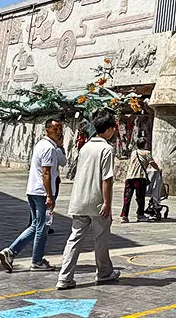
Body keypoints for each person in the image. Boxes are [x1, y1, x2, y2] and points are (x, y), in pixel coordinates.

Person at [56, 111, 120, 290]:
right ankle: (104, 272)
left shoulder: (85, 147)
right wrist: (107, 202)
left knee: (74, 239)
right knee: (101, 239)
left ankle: (64, 278)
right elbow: (106, 178)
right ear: (108, 129)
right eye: (113, 128)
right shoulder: (106, 149)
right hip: (96, 200)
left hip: (79, 199)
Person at [0, 118, 64, 273]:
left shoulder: (43, 145)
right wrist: (49, 195)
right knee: (43, 226)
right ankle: (37, 260)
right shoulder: (48, 148)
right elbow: (46, 173)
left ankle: (11, 252)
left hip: (33, 191)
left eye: (60, 128)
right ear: (47, 130)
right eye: (55, 129)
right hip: (42, 192)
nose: (59, 132)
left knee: (35, 225)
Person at [120, 137, 153, 223]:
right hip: (140, 177)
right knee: (140, 197)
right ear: (145, 144)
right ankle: (140, 215)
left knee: (127, 197)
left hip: (130, 177)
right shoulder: (147, 153)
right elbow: (152, 162)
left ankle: (124, 216)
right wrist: (159, 169)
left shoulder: (134, 152)